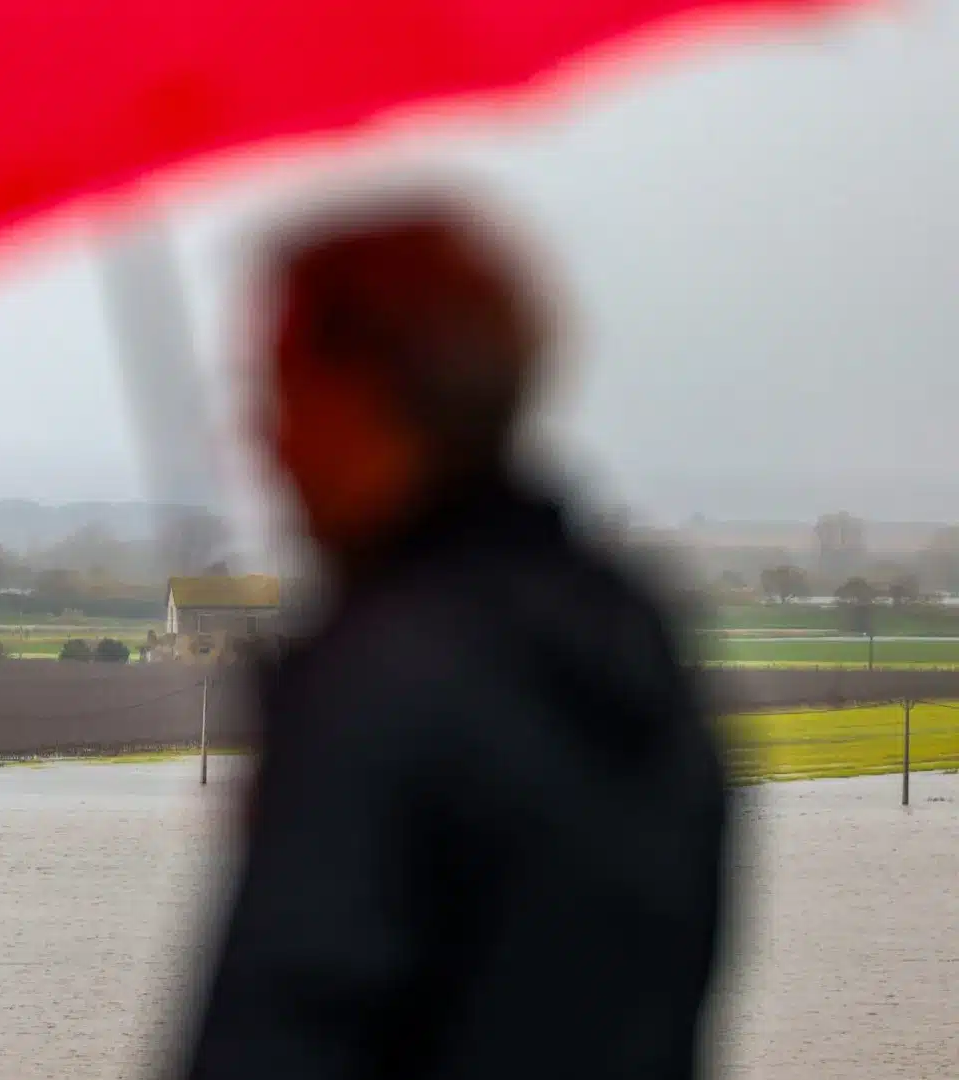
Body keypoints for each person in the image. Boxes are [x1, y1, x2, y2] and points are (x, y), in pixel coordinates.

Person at [182, 193, 729, 1079]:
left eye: (280, 390)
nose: (262, 440)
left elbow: (278, 1036)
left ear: (369, 397)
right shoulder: (628, 636)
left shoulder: (384, 679)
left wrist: (313, 796)